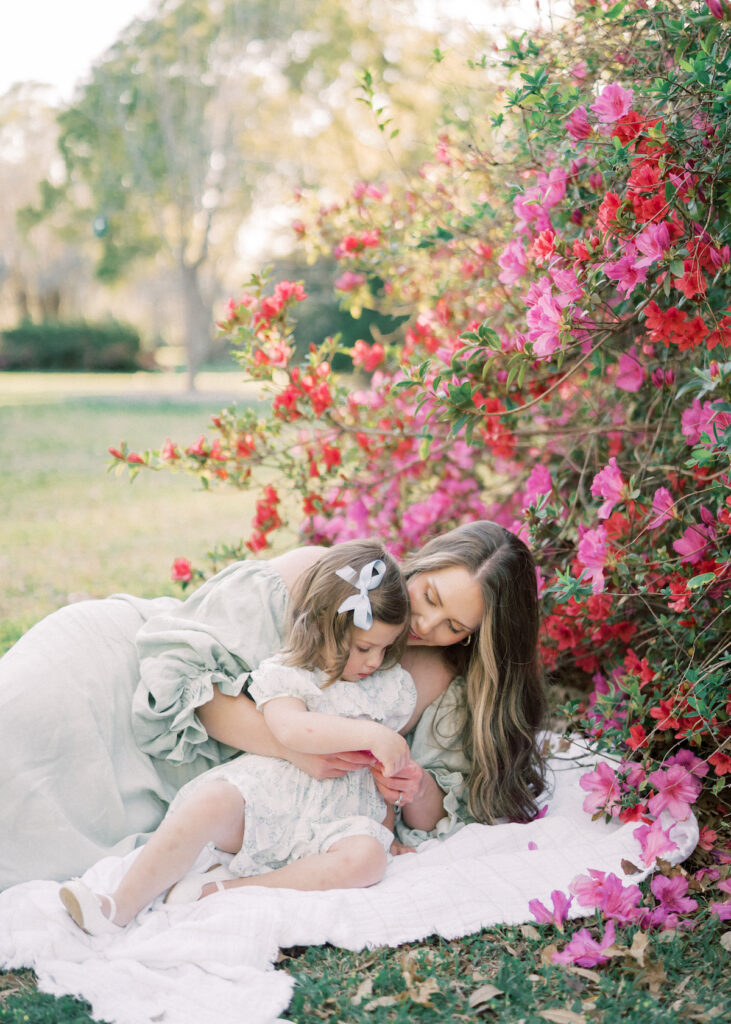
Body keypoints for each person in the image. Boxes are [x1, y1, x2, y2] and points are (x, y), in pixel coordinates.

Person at [0, 520, 547, 890]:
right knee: (20, 728)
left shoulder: (441, 681)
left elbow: (428, 806)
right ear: (424, 563)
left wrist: (409, 786)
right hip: (120, 671)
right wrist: (298, 749)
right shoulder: (329, 578)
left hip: (189, 780)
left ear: (479, 638)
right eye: (429, 598)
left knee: (35, 829)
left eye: (455, 626)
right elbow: (180, 680)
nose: (428, 626)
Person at [59, 540, 419, 934]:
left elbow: (377, 779)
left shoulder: (388, 688)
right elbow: (291, 729)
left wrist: (385, 833)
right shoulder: (291, 672)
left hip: (339, 822)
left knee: (367, 860)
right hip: (271, 805)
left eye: (384, 649)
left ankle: (227, 890)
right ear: (321, 626)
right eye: (364, 647)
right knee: (211, 801)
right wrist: (371, 733)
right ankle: (117, 906)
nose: (373, 661)